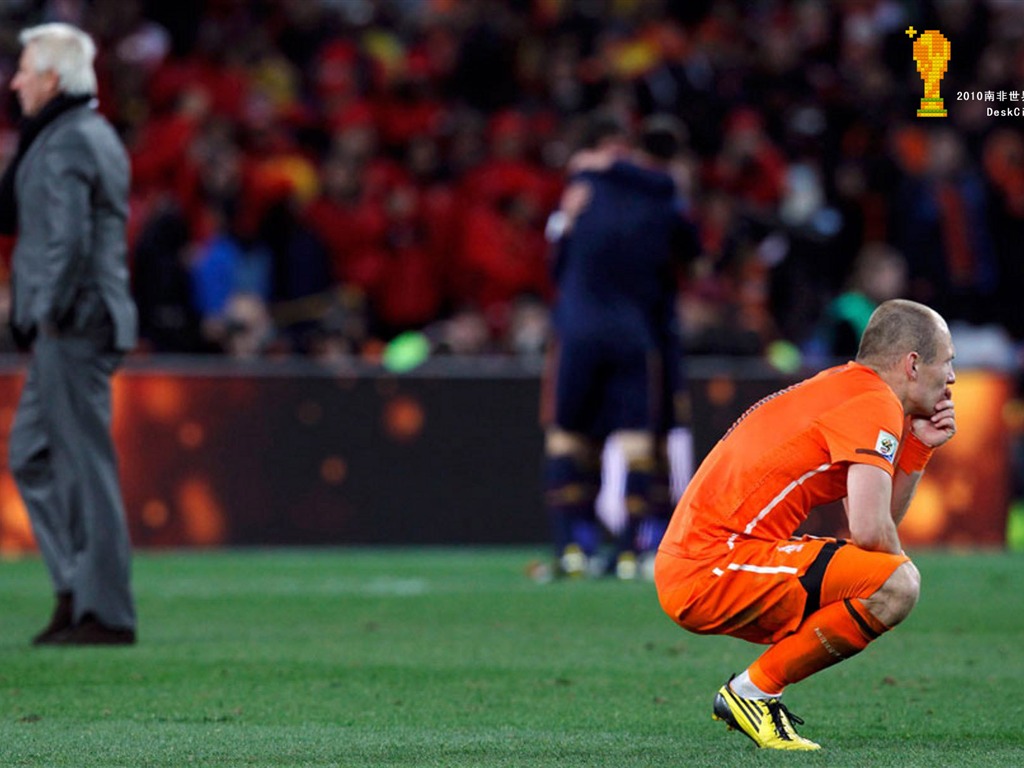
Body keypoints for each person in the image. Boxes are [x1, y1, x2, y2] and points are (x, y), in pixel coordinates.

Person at [654, 299, 957, 749]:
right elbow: (873, 535)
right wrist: (889, 588)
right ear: (912, 364)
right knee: (897, 585)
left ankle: (754, 692)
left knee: (887, 583)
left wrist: (917, 449)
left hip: (709, 560)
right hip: (711, 565)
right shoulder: (874, 403)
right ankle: (752, 693)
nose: (952, 377)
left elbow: (868, 535)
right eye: (948, 362)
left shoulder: (849, 387)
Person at [1, 23, 138, 645]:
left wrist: (42, 309)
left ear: (53, 78)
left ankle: (104, 612)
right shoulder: (78, 133)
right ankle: (75, 590)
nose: (16, 80)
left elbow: (69, 238)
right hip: (75, 318)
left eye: (26, 69)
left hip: (73, 323)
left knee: (83, 465)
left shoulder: (67, 141)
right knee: (31, 454)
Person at [540, 112, 698, 578]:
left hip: (578, 330)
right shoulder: (660, 198)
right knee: (640, 438)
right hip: (638, 332)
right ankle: (633, 550)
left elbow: (555, 265)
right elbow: (694, 253)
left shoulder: (582, 193)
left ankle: (574, 549)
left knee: (568, 434)